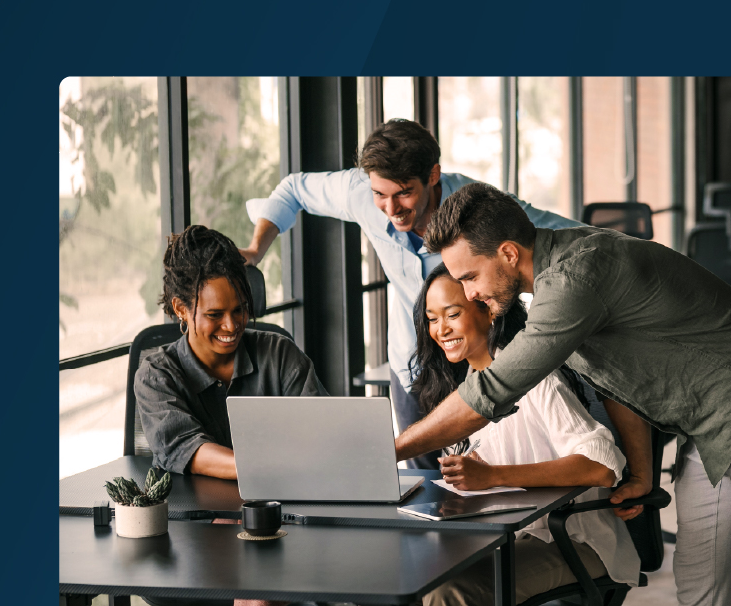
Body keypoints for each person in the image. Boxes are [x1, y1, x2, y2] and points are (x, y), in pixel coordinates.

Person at [391, 182, 731, 606]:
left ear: (509, 254)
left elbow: (490, 392)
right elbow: (616, 380)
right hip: (706, 423)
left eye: (470, 277)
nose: (469, 292)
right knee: (700, 582)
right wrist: (641, 472)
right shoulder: (557, 279)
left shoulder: (574, 280)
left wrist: (389, 450)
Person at [238, 118, 579, 464]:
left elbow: (573, 241)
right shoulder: (360, 193)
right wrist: (255, 250)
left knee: (495, 467)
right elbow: (293, 189)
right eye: (380, 195)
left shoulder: (481, 212)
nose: (391, 209)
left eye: (404, 193)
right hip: (415, 367)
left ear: (433, 175)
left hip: (484, 360)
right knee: (424, 482)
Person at [358, 265, 640, 606]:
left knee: (450, 593)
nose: (441, 329)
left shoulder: (536, 378)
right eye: (432, 319)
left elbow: (601, 464)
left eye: (452, 314)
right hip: (501, 540)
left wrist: (492, 476)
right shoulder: (461, 394)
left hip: (571, 541)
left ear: (489, 311)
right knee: (380, 585)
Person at [133, 225, 327, 606]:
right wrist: (276, 466)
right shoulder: (156, 375)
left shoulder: (279, 354)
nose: (232, 324)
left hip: (283, 523)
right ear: (180, 308)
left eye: (240, 310)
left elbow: (324, 434)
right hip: (195, 534)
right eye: (214, 314)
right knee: (256, 556)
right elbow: (189, 450)